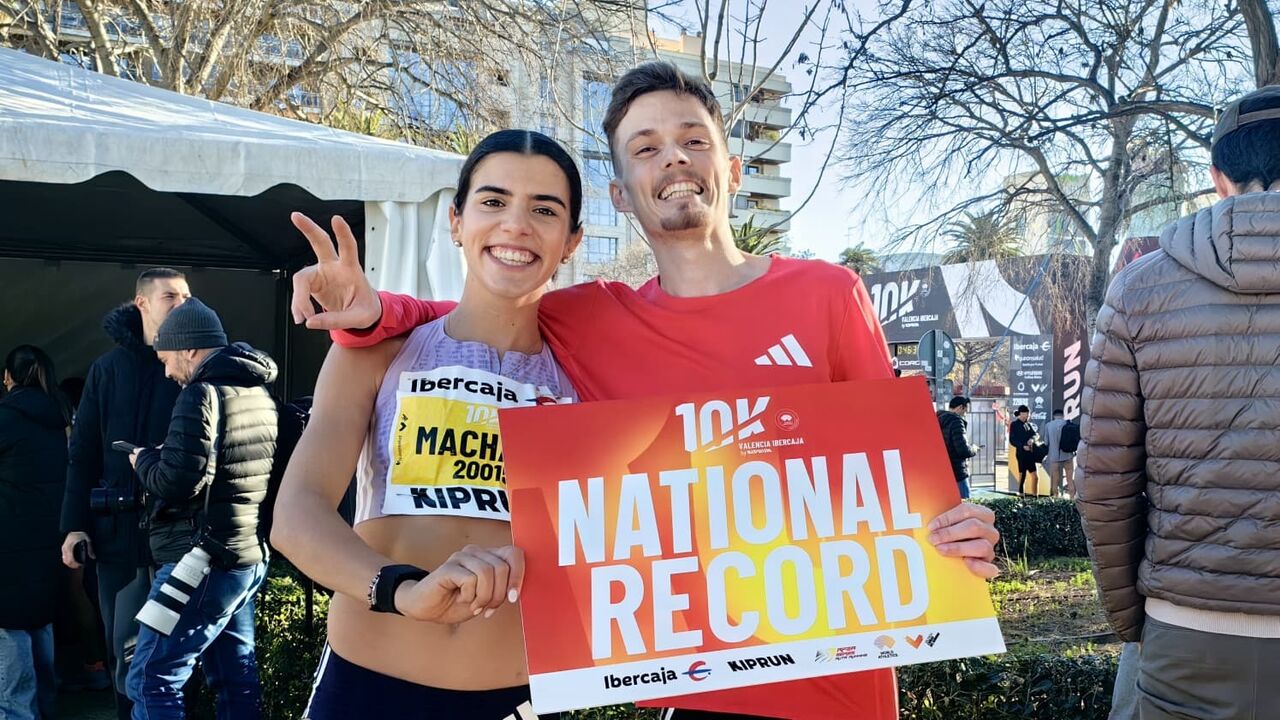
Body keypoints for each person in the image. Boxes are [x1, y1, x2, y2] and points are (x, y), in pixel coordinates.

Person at [289, 62, 1000, 720]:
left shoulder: (812, 296)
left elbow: (893, 493)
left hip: (814, 685)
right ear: (620, 193)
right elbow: (481, 313)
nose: (675, 158)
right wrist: (382, 314)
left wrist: (953, 529)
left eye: (693, 139)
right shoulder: (555, 326)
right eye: (646, 147)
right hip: (431, 675)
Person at [273, 130, 580, 720]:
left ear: (571, 241)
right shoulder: (377, 349)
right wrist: (402, 590)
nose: (516, 224)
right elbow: (297, 514)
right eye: (493, 202)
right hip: (370, 681)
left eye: (544, 209)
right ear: (456, 222)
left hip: (523, 698)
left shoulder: (587, 373)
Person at [1075, 85, 1280, 720]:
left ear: (1219, 177)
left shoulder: (1139, 289)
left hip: (1186, 629)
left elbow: (1104, 482)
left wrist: (1136, 620)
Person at [124, 298, 278, 719]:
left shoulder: (199, 394)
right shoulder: (257, 392)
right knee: (236, 678)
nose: (167, 370)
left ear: (190, 349)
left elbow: (176, 482)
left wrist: (145, 462)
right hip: (243, 555)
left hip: (198, 560)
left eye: (167, 358)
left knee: (150, 678)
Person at [60, 268, 190, 719]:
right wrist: (74, 526)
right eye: (171, 296)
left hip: (178, 538)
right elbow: (83, 456)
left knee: (172, 661)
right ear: (143, 304)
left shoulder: (194, 364)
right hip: (116, 540)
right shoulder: (107, 370)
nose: (182, 304)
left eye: (187, 296)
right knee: (124, 656)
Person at [0, 346, 72, 720]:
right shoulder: (60, 417)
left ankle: (18, 714)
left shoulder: (5, 419)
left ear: (7, 378)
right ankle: (46, 706)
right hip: (50, 536)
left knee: (9, 629)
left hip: (8, 539)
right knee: (40, 622)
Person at [937, 396, 981, 499]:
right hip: (958, 471)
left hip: (942, 471)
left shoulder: (938, 419)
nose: (965, 415)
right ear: (961, 407)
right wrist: (974, 449)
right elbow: (963, 450)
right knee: (965, 506)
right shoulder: (956, 421)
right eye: (966, 411)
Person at [1041, 409, 1076, 497]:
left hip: (1054, 456)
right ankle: (1072, 498)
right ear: (1063, 416)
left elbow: (1046, 442)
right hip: (1068, 455)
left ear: (1054, 416)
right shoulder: (1068, 424)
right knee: (1070, 479)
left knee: (1054, 479)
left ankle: (1056, 498)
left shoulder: (1048, 425)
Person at [1007, 405, 1039, 497]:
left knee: (1035, 476)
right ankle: (1021, 494)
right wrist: (1022, 446)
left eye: (1028, 414)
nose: (1028, 416)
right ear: (1021, 413)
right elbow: (1012, 440)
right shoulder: (1014, 424)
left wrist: (1032, 439)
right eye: (1026, 413)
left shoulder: (1028, 424)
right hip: (1021, 453)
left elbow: (1036, 435)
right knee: (1022, 475)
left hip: (1030, 454)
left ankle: (1034, 495)